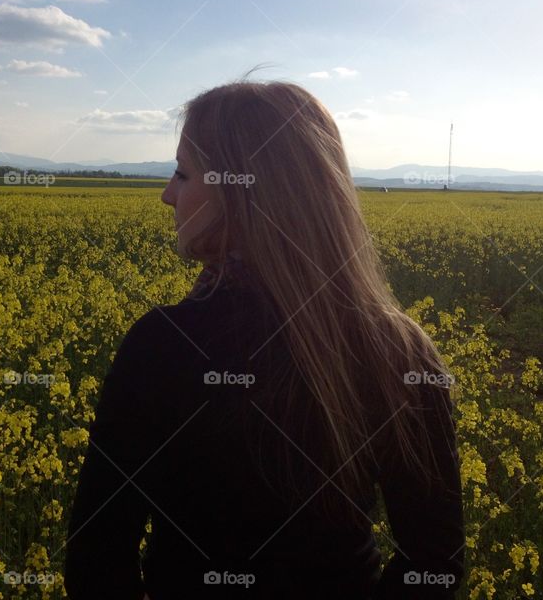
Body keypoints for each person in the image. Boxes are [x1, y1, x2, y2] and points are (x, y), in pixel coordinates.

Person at [64, 71, 465, 599]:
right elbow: (435, 562)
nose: (167, 196)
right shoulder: (400, 349)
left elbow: (98, 558)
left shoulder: (163, 347)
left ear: (240, 191)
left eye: (183, 175)